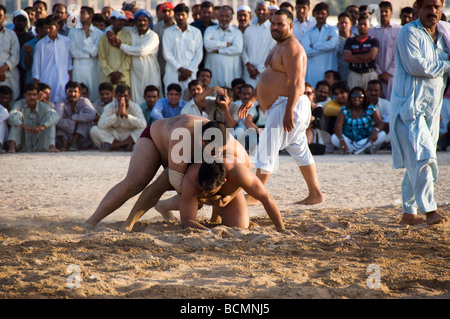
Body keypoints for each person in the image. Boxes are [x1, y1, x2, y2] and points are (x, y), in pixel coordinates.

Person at [83, 116, 249, 230]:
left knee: (218, 188)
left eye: (219, 152)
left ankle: (166, 206)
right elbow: (176, 181)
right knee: (136, 181)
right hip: (156, 141)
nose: (216, 155)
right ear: (203, 140)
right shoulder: (183, 137)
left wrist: (230, 195)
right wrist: (203, 196)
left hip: (191, 158)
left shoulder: (236, 153)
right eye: (212, 151)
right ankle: (101, 221)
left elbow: (243, 180)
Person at [239, 9, 323, 206]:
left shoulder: (292, 48)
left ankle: (255, 194)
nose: (275, 28)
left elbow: (297, 83)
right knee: (300, 149)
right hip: (283, 105)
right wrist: (252, 98)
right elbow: (266, 76)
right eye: (273, 24)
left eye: (280, 24)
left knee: (266, 148)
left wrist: (288, 111)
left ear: (290, 26)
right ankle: (315, 193)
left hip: (288, 104)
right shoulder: (278, 46)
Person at [389, 0, 448, 226]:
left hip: (432, 109)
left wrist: (442, 62)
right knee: (423, 158)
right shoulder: (409, 32)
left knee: (416, 161)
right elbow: (417, 66)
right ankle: (430, 210)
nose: (433, 12)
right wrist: (447, 64)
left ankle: (409, 213)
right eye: (428, 7)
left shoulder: (444, 36)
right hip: (409, 109)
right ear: (417, 8)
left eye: (437, 7)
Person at [148, 160, 286, 232]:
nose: (205, 194)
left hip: (228, 192)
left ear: (224, 182)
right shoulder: (191, 179)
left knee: (240, 226)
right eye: (202, 189)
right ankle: (162, 205)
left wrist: (281, 228)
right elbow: (187, 220)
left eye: (208, 192)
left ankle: (218, 208)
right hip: (194, 190)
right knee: (194, 199)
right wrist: (209, 232)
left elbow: (266, 198)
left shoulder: (238, 173)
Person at [114, 9, 161, 105]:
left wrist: (122, 46)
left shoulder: (153, 36)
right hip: (134, 71)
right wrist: (109, 32)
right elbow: (115, 28)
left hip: (149, 70)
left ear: (149, 22)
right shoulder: (131, 31)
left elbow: (142, 50)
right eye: (139, 20)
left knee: (151, 95)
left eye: (144, 20)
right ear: (135, 22)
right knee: (136, 97)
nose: (142, 23)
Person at [90, 84, 146, 151]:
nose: (122, 99)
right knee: (94, 130)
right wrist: (117, 114)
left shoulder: (135, 107)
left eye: (125, 96)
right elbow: (101, 125)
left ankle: (115, 146)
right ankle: (123, 146)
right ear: (115, 96)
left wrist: (126, 115)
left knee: (143, 130)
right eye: (120, 96)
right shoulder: (109, 107)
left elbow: (143, 124)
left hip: (129, 135)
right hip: (114, 135)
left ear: (130, 96)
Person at [331, 86, 386, 154]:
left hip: (366, 138)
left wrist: (375, 130)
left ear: (364, 98)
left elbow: (381, 123)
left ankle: (355, 150)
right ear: (350, 98)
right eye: (353, 97)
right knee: (334, 138)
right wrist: (341, 139)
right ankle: (360, 149)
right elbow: (337, 126)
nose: (356, 99)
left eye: (360, 97)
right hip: (349, 139)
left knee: (382, 134)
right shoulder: (345, 109)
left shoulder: (370, 109)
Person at [7, 82, 60, 153]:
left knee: (50, 118)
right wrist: (25, 126)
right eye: (29, 95)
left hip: (40, 142)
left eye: (34, 95)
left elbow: (56, 116)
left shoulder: (43, 106)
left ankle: (51, 147)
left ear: (38, 95)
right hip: (23, 142)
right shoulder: (19, 104)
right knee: (16, 115)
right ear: (25, 95)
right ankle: (12, 147)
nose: (32, 97)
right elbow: (11, 116)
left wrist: (43, 126)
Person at [162, 3, 203, 92]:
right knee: (172, 98)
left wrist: (188, 71)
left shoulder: (196, 32)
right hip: (173, 73)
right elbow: (167, 54)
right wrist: (180, 69)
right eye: (178, 15)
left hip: (190, 73)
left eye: (182, 15)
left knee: (191, 98)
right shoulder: (168, 32)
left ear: (187, 16)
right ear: (174, 16)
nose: (180, 17)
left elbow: (199, 54)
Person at [32, 14, 72, 104]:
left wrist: (69, 82)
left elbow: (69, 65)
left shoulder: (66, 41)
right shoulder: (40, 45)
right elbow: (36, 70)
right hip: (46, 83)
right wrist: (39, 88)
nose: (47, 30)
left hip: (63, 82)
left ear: (57, 27)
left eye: (51, 28)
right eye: (46, 28)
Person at [68, 6, 103, 103]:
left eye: (83, 13)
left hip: (93, 70)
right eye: (80, 13)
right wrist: (88, 55)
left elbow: (95, 52)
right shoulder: (73, 32)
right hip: (78, 69)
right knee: (78, 93)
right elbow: (73, 52)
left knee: (93, 95)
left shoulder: (98, 34)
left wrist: (87, 37)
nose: (80, 15)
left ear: (90, 16)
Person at [368, 1, 401, 101]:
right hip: (376, 74)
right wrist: (379, 72)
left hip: (393, 75)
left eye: (386, 11)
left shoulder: (399, 30)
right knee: (376, 102)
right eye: (381, 11)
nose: (383, 14)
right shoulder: (372, 31)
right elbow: (371, 54)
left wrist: (390, 72)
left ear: (391, 12)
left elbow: (399, 53)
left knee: (392, 102)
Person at [301, 2, 339, 89]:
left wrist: (314, 45)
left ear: (328, 14)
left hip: (329, 69)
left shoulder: (333, 30)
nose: (320, 16)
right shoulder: (308, 33)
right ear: (314, 14)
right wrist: (325, 46)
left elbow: (331, 45)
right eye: (318, 13)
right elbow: (306, 51)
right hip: (312, 72)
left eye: (323, 13)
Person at [204, 6, 243, 88]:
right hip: (213, 70)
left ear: (231, 18)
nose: (224, 19)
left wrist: (218, 51)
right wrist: (226, 44)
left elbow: (237, 49)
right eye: (221, 16)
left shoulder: (236, 32)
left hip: (230, 73)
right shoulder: (210, 30)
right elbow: (207, 45)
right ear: (217, 16)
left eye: (227, 16)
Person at [241, 1, 276, 89]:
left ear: (268, 12)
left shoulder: (272, 30)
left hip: (264, 73)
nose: (261, 12)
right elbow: (243, 49)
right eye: (259, 9)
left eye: (264, 10)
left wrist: (258, 69)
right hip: (248, 72)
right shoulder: (249, 29)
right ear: (255, 11)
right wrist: (247, 64)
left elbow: (272, 52)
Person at [55, 81, 97, 151]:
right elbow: (57, 119)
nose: (72, 94)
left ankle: (74, 143)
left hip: (80, 135)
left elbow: (93, 115)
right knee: (60, 124)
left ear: (79, 93)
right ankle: (64, 144)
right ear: (66, 92)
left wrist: (73, 117)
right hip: (66, 131)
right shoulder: (61, 102)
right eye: (70, 91)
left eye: (75, 91)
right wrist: (74, 122)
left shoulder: (84, 101)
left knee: (84, 120)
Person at [98, 10, 132, 90]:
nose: (122, 23)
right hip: (107, 76)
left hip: (123, 76)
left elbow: (129, 57)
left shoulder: (128, 36)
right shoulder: (103, 37)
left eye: (123, 20)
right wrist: (110, 73)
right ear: (112, 21)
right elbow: (101, 58)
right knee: (106, 98)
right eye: (119, 20)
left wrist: (120, 72)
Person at [343, 14, 379, 91]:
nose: (362, 27)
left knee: (370, 97)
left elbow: (371, 56)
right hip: (354, 73)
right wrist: (365, 57)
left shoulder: (373, 40)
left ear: (369, 26)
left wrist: (354, 57)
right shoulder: (350, 40)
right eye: (360, 24)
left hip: (369, 73)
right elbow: (346, 57)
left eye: (365, 24)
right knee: (353, 97)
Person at [0, 5, 21, 101]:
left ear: (4, 17)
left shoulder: (11, 34)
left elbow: (15, 56)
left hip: (9, 74)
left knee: (12, 102)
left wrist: (3, 70)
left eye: (0, 16)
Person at [153, 2, 175, 87]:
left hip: (176, 66)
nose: (167, 14)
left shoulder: (178, 27)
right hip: (161, 63)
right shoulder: (156, 28)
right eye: (164, 11)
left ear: (173, 12)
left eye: (169, 11)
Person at [20, 18, 46, 87]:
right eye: (45, 28)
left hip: (48, 80)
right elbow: (24, 66)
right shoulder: (29, 45)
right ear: (39, 29)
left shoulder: (52, 44)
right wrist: (28, 54)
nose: (48, 30)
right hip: (32, 82)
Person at [336, 12, 353, 84]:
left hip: (352, 75)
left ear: (351, 24)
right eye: (341, 23)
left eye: (346, 23)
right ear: (338, 25)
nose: (343, 25)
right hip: (338, 74)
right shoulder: (334, 40)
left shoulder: (355, 39)